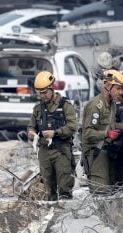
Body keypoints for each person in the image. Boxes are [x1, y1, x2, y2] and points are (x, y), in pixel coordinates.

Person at [81, 69, 123, 194]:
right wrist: (107, 134)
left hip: (108, 151)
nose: (120, 92)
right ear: (108, 86)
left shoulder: (112, 104)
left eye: (121, 89)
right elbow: (87, 133)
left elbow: (110, 125)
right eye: (117, 88)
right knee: (101, 193)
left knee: (114, 190)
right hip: (96, 153)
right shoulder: (95, 105)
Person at [27, 71, 78, 201]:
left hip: (61, 151)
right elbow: (31, 126)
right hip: (44, 152)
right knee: (48, 188)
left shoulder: (65, 105)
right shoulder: (38, 108)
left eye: (45, 92)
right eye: (40, 93)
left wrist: (55, 133)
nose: (43, 96)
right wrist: (31, 133)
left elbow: (73, 127)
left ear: (52, 88)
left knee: (64, 186)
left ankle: (65, 216)